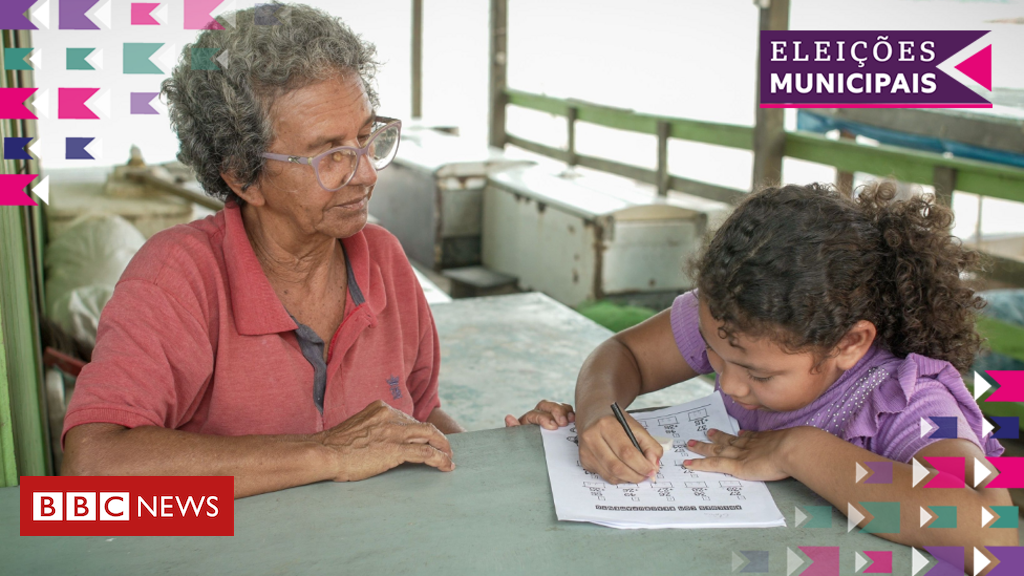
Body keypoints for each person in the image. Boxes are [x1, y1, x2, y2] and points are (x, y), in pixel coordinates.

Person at [61, 3, 553, 498]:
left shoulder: (383, 260)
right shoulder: (178, 277)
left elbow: (420, 415)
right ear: (242, 175)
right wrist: (329, 453)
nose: (365, 173)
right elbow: (93, 468)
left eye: (367, 138)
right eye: (330, 154)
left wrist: (496, 460)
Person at [511, 182, 1016, 568]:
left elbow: (990, 533)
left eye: (758, 375)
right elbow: (624, 353)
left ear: (849, 343)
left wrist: (799, 449)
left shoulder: (908, 401)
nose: (728, 385)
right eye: (712, 355)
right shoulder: (736, 324)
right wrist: (603, 412)